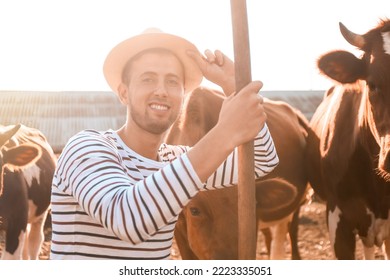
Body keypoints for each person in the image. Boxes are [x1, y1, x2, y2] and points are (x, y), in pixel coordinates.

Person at [50, 29, 279, 260]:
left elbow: (261, 160)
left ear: (182, 96)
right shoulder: (85, 148)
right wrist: (225, 131)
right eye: (148, 79)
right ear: (124, 93)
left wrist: (234, 87)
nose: (161, 91)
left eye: (172, 82)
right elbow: (128, 220)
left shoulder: (175, 161)